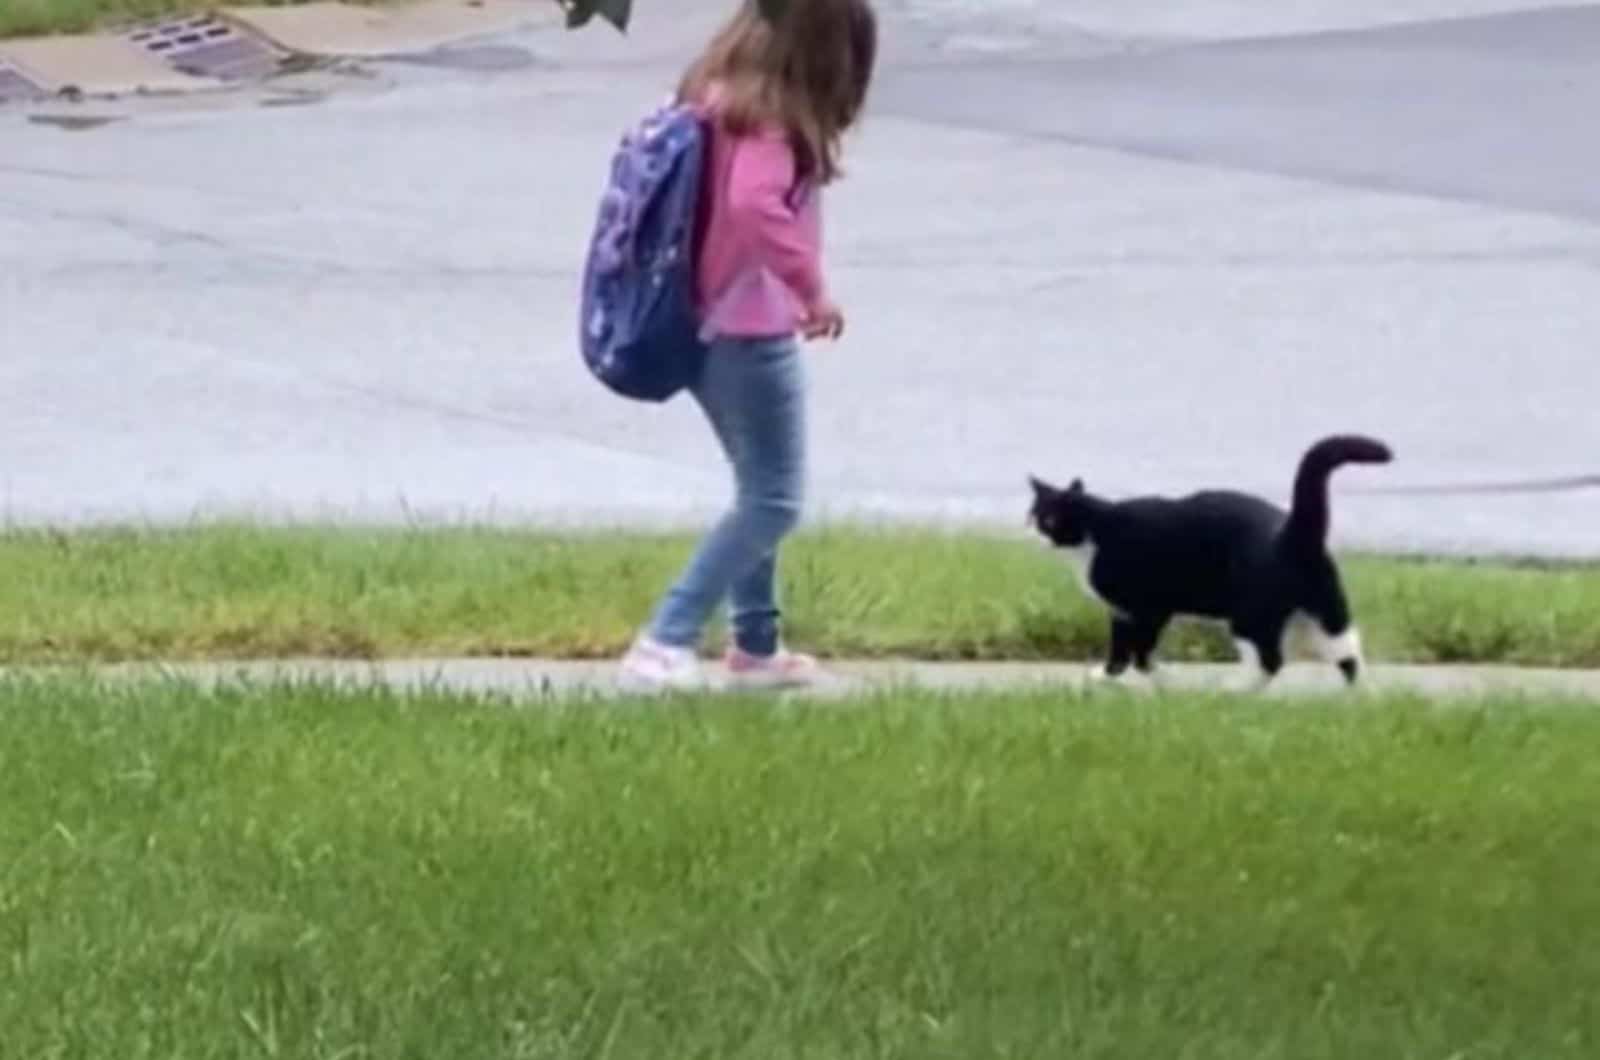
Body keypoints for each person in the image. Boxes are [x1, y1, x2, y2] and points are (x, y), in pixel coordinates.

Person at [619, 0, 879, 691]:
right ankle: (665, 638)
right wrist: (811, 289)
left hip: (701, 317)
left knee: (755, 487)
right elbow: (753, 205)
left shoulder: (714, 95)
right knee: (774, 500)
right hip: (748, 325)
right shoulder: (771, 121)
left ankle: (756, 645)